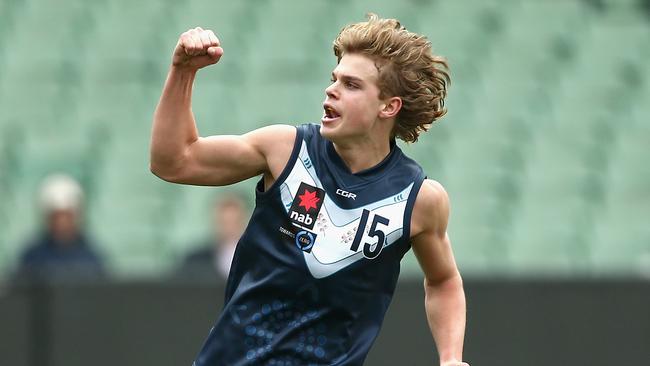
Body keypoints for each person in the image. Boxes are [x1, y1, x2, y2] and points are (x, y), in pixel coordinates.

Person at [150, 14, 468, 366]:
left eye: (351, 84)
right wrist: (183, 71)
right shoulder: (284, 150)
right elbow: (174, 161)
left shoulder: (419, 199)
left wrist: (451, 358)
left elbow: (443, 281)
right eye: (334, 79)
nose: (331, 89)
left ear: (389, 106)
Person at [15, 174, 104, 282]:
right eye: (56, 216)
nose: (62, 222)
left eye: (67, 216)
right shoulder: (32, 257)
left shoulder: (91, 257)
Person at [177, 194, 247, 281]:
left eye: (235, 222)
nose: (229, 229)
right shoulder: (196, 261)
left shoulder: (258, 260)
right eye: (224, 223)